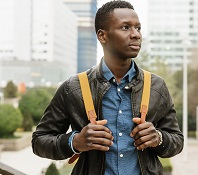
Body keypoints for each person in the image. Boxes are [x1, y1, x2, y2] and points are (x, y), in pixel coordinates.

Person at [32, 0, 183, 174]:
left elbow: (177, 141)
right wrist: (75, 142)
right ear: (102, 36)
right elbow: (39, 141)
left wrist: (159, 138)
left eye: (138, 28)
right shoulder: (73, 88)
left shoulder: (157, 86)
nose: (136, 35)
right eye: (125, 27)